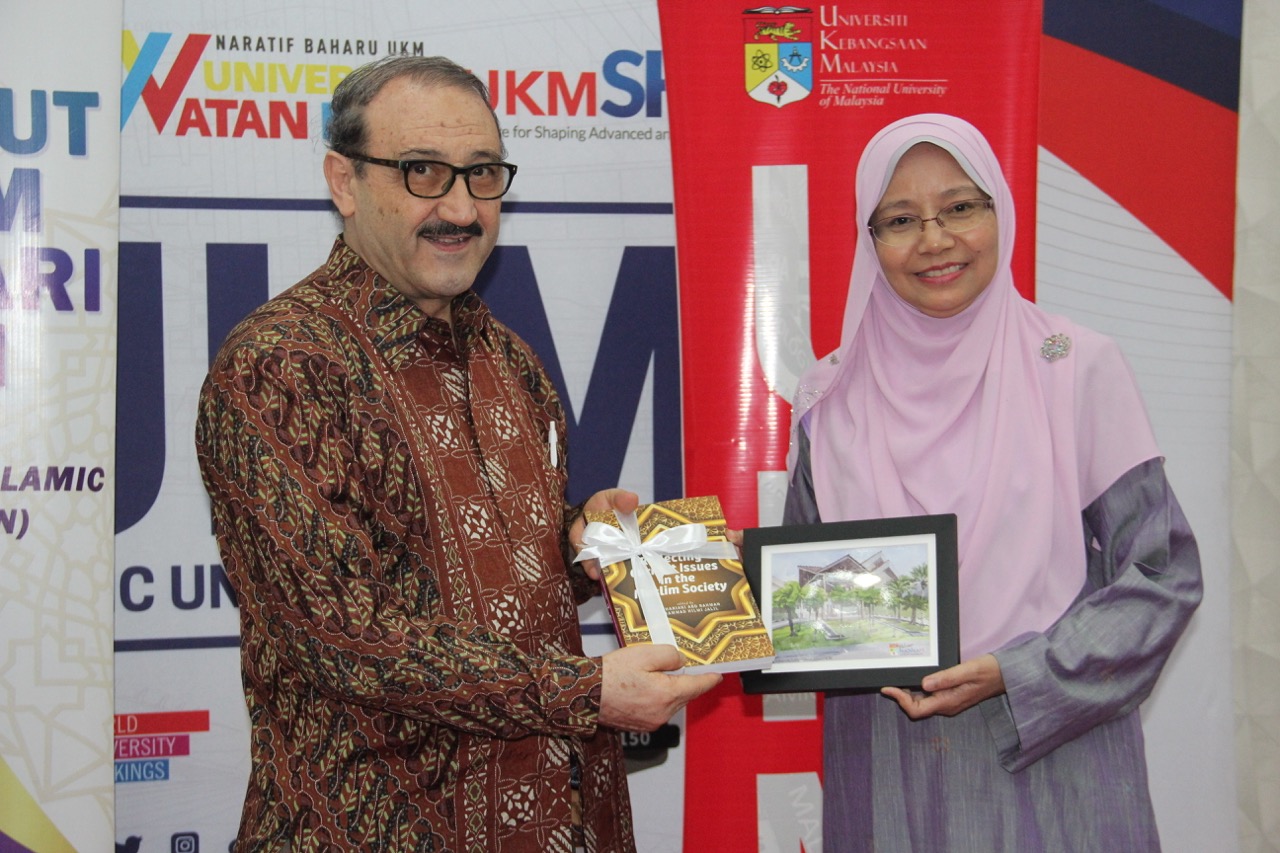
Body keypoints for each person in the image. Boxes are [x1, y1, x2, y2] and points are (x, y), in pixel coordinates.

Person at [195, 54, 719, 852]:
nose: (462, 208)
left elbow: (474, 570)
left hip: (555, 821)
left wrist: (587, 546)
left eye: (482, 174)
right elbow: (345, 635)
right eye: (423, 172)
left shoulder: (511, 359)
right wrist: (585, 691)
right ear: (344, 182)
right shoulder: (280, 365)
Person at [784, 113, 1202, 851]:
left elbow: (1163, 576)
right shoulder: (831, 399)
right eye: (900, 220)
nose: (935, 240)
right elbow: (807, 604)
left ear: (999, 211)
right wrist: (683, 574)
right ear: (869, 240)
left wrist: (1020, 672)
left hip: (1054, 758)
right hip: (889, 767)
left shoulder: (1073, 368)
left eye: (960, 207)